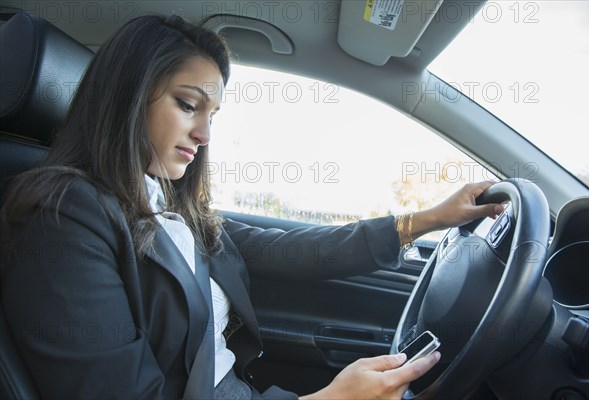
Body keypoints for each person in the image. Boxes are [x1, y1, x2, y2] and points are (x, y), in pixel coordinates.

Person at [0, 14, 504, 399]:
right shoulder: (60, 217)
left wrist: (429, 220)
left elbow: (295, 250)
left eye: (212, 114)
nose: (204, 134)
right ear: (128, 97)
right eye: (187, 104)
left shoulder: (168, 203)